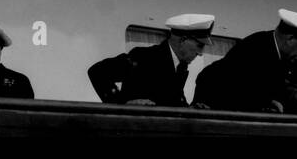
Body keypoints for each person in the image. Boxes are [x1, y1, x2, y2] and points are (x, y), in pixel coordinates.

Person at [194, 9, 297, 113]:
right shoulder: (255, 48)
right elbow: (234, 88)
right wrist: (264, 103)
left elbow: (280, 87)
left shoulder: (284, 56)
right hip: (211, 104)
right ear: (290, 39)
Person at [87, 14, 215, 107]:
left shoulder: (179, 66)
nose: (200, 54)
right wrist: (122, 105)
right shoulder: (144, 57)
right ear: (183, 40)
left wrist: (191, 110)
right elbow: (98, 71)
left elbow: (170, 101)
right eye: (199, 46)